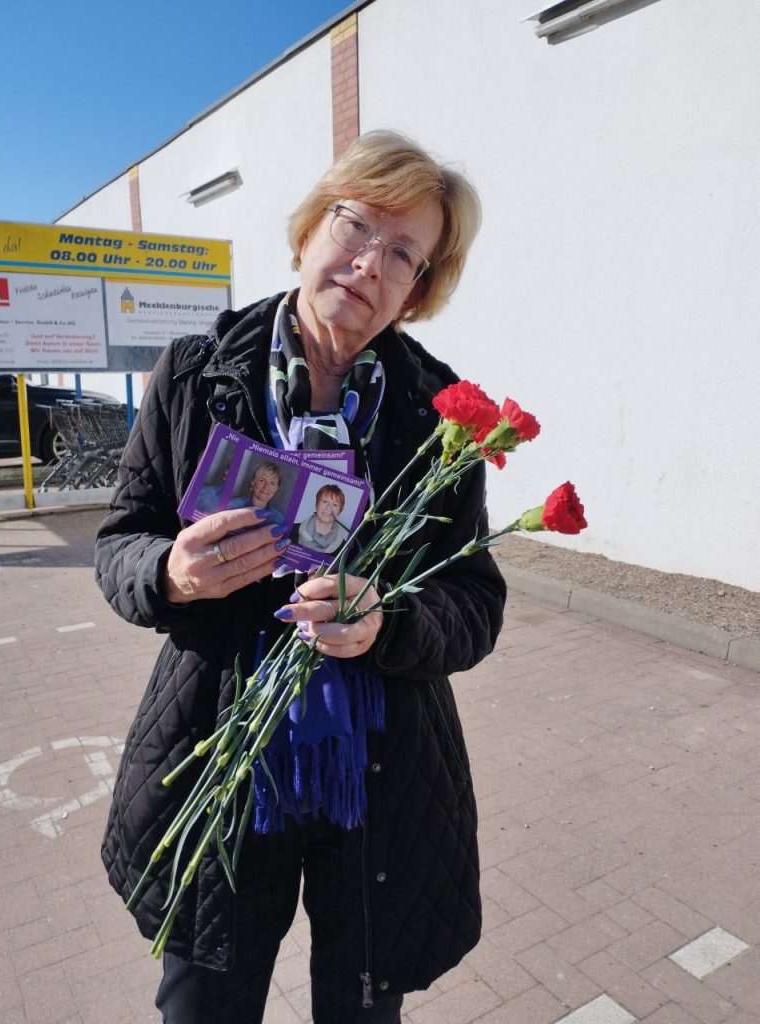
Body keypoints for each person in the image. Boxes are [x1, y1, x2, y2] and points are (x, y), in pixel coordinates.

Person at [95, 130, 507, 1024]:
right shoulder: (195, 375)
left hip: (382, 781)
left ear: (420, 286)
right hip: (221, 759)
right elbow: (119, 540)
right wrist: (169, 572)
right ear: (312, 227)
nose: (369, 263)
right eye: (356, 226)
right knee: (204, 1007)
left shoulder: (439, 415)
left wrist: (388, 621)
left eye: (404, 253)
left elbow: (475, 603)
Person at [227, 460, 285, 525]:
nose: (266, 487)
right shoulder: (233, 506)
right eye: (262, 480)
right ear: (253, 482)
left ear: (277, 488)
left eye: (272, 483)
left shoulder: (278, 518)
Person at [297, 483, 347, 553]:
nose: (328, 508)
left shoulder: (344, 547)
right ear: (316, 504)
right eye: (324, 502)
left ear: (339, 511)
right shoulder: (293, 529)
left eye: (335, 505)